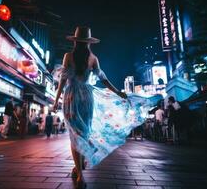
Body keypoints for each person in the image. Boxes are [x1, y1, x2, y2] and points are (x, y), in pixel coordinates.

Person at [52, 27, 159, 188]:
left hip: (71, 97)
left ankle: (80, 175)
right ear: (89, 43)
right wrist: (118, 92)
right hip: (87, 97)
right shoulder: (93, 58)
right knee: (84, 133)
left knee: (75, 135)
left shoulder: (68, 56)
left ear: (75, 41)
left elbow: (62, 80)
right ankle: (78, 167)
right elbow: (104, 79)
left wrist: (56, 100)